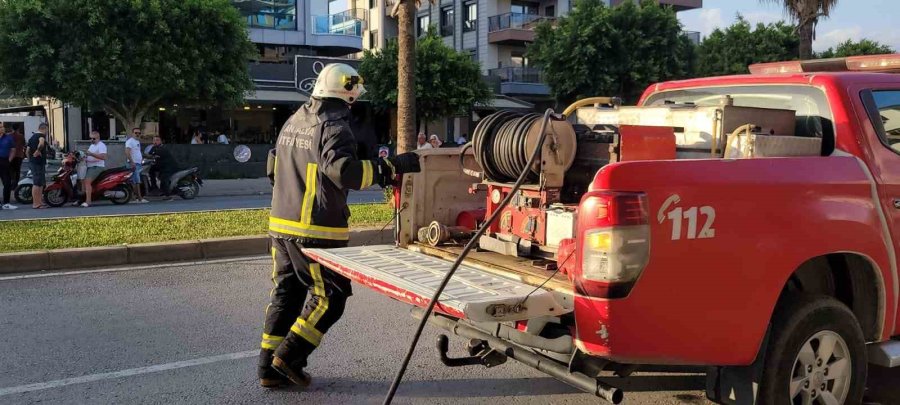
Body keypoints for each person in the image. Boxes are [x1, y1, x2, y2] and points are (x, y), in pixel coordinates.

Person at [259, 63, 420, 389]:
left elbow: (272, 168)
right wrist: (390, 167)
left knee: (286, 294)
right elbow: (345, 173)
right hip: (314, 230)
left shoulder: (295, 119)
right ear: (348, 95)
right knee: (331, 295)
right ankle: (289, 357)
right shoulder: (334, 126)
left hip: (280, 224)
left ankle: (267, 369)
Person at [146, 135, 180, 200]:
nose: (155, 142)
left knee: (164, 178)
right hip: (160, 165)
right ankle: (154, 188)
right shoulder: (154, 147)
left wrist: (150, 156)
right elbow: (149, 154)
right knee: (151, 170)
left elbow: (153, 155)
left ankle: (167, 195)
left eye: (157, 140)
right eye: (154, 140)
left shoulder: (163, 148)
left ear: (161, 141)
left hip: (168, 167)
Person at [80, 131, 107, 207]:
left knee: (87, 181)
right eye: (90, 138)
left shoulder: (101, 145)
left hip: (97, 166)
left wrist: (90, 154)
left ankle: (88, 201)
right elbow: (88, 155)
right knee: (80, 179)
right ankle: (80, 199)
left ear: (98, 138)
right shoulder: (92, 145)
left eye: (93, 138)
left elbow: (103, 157)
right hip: (89, 166)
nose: (92, 140)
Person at [26, 123, 49, 209]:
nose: (47, 132)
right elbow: (41, 143)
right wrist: (38, 150)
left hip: (34, 162)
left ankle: (39, 202)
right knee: (37, 183)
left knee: (40, 183)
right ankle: (36, 204)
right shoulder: (41, 135)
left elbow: (27, 151)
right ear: (45, 129)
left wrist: (30, 160)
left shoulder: (32, 137)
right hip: (38, 163)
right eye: (47, 130)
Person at [125, 128, 148, 203]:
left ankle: (134, 198)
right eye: (136, 133)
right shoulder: (130, 141)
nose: (137, 134)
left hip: (137, 163)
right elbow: (127, 152)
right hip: (133, 164)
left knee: (135, 181)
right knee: (136, 181)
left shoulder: (137, 141)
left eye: (139, 133)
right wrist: (132, 162)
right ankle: (139, 198)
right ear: (132, 133)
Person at [0, 122, 17, 209]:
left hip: (4, 161)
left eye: (2, 127)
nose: (2, 128)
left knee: (7, 183)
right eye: (0, 127)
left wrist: (9, 160)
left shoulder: (8, 138)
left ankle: (6, 203)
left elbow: (13, 149)